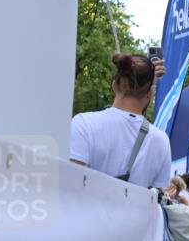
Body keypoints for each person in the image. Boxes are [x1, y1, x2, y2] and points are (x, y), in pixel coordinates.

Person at [69, 54, 170, 188]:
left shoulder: (83, 123)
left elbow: (70, 183)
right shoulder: (161, 140)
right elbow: (157, 195)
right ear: (150, 93)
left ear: (114, 85)